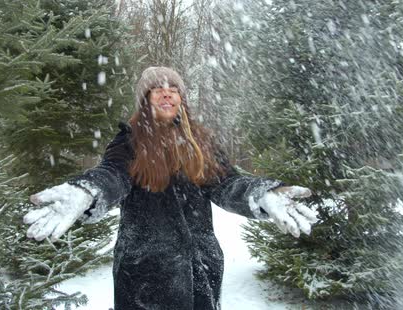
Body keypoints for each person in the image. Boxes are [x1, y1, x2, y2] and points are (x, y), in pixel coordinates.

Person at [23, 66, 318, 310]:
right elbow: (112, 174)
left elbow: (228, 183)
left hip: (200, 271)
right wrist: (87, 190)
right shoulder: (129, 142)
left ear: (181, 98)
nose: (167, 92)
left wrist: (262, 194)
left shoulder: (200, 143)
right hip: (146, 277)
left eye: (173, 88)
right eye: (157, 88)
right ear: (145, 100)